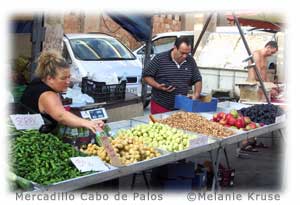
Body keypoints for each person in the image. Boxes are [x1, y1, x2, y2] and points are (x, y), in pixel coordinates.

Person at [20, 50, 104, 133]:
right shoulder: (47, 95)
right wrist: (87, 123)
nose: (68, 81)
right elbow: (61, 116)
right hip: (33, 138)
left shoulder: (38, 82)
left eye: (69, 77)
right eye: (63, 78)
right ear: (50, 78)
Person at [142, 37, 202, 114]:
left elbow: (197, 79)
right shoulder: (159, 59)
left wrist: (196, 95)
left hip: (181, 106)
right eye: (182, 53)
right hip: (161, 105)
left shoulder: (190, 61)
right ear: (174, 48)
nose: (185, 56)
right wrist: (157, 86)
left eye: (187, 53)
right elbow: (146, 76)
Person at [241, 41, 278, 152]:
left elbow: (264, 75)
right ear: (268, 47)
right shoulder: (256, 54)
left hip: (261, 88)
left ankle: (252, 140)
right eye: (272, 52)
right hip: (253, 89)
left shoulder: (265, 58)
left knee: (258, 116)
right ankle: (244, 142)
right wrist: (257, 88)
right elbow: (252, 74)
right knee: (250, 117)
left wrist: (270, 87)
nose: (271, 54)